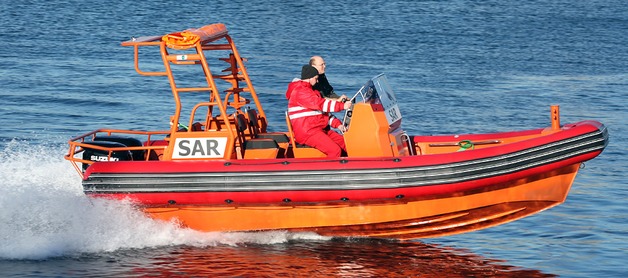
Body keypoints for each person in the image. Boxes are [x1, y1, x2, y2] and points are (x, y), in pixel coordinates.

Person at [286, 65, 351, 157]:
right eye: (316, 78)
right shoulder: (301, 92)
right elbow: (321, 104)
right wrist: (342, 106)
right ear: (309, 78)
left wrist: (338, 125)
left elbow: (323, 114)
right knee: (335, 150)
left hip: (319, 128)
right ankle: (330, 170)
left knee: (346, 144)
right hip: (308, 132)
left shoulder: (312, 91)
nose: (317, 81)